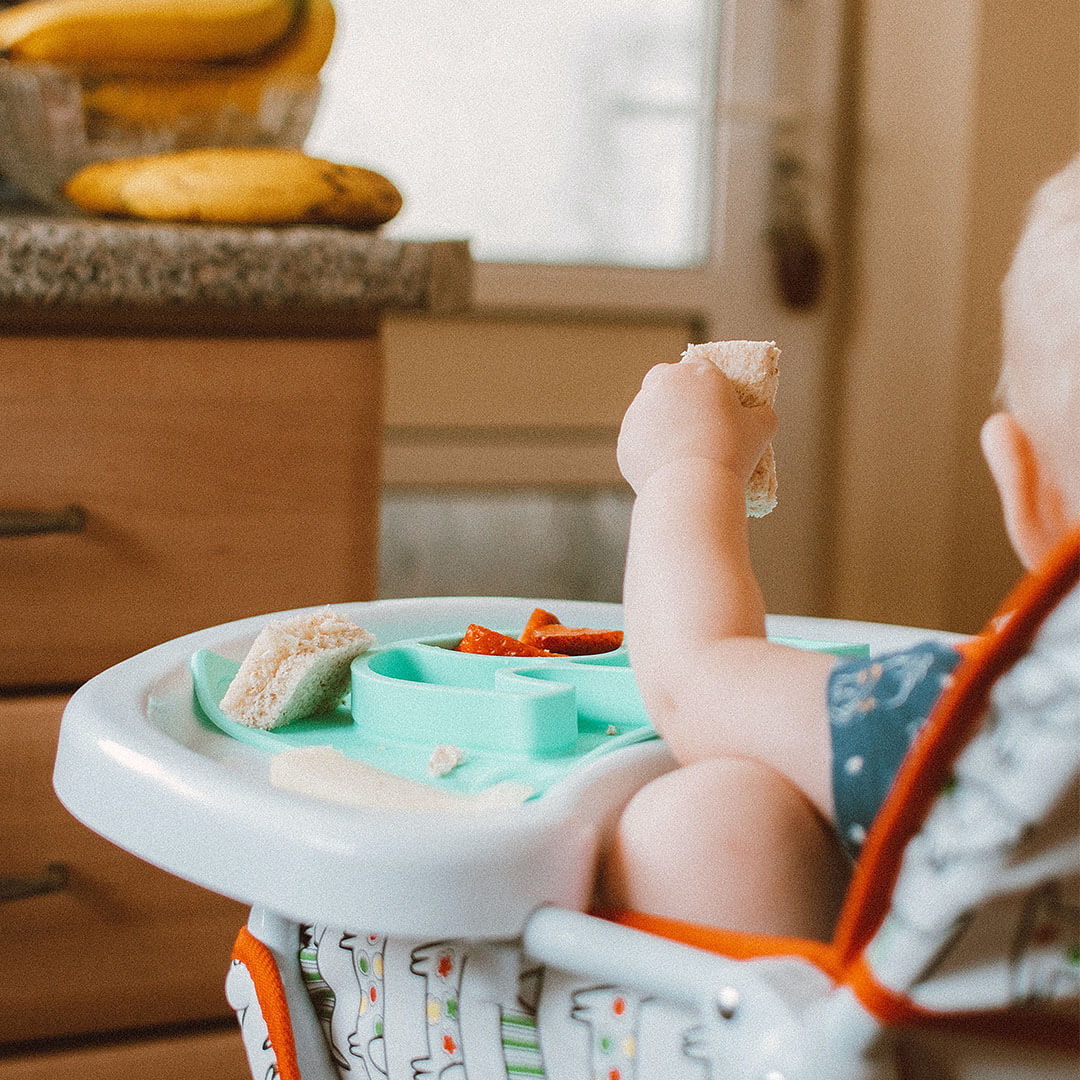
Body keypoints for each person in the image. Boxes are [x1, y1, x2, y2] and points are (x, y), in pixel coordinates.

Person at [598, 153, 1080, 943]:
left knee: (703, 823)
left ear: (1034, 499)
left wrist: (690, 467)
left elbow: (696, 680)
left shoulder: (995, 726)